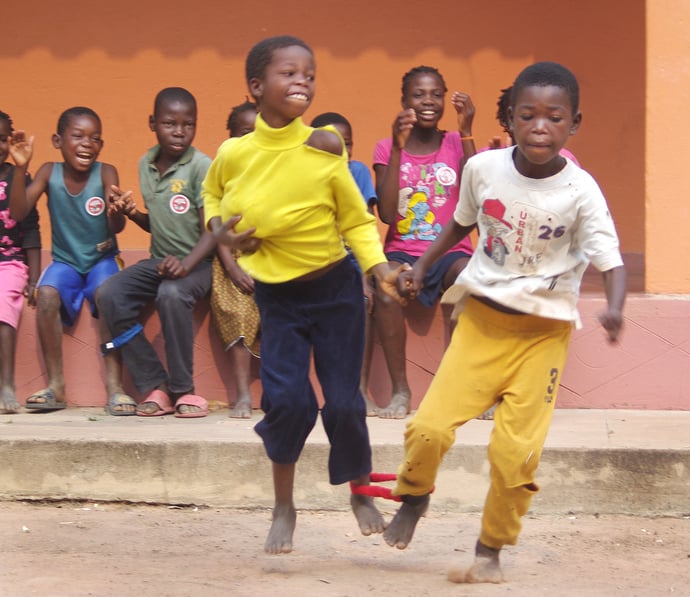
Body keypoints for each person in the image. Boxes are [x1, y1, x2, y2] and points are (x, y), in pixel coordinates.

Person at [382, 62, 627, 585]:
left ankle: (491, 545)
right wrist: (422, 266)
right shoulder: (484, 169)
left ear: (573, 124)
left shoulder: (581, 191)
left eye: (554, 118)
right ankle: (415, 494)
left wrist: (615, 306)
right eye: (528, 115)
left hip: (542, 338)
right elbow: (459, 225)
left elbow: (611, 259)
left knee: (515, 453)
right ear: (510, 119)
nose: (540, 126)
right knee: (427, 427)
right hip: (481, 325)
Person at [203, 35, 407, 554]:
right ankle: (283, 506)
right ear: (256, 86)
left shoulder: (324, 146)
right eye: (289, 73)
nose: (302, 82)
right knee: (289, 403)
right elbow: (211, 194)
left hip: (335, 289)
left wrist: (379, 268)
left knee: (343, 402)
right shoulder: (234, 152)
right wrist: (217, 228)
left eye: (309, 75)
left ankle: (359, 489)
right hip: (278, 297)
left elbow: (355, 220)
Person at [98, 87, 215, 418]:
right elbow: (160, 223)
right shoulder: (145, 164)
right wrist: (132, 213)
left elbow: (213, 229)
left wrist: (187, 263)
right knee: (109, 293)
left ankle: (184, 390)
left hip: (200, 263)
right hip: (159, 261)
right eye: (169, 123)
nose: (179, 132)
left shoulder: (201, 166)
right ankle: (155, 384)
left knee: (171, 294)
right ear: (152, 123)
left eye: (188, 124)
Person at [371, 65, 476, 419]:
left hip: (450, 252)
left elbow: (478, 196)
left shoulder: (454, 143)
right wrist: (399, 149)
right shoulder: (386, 148)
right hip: (403, 251)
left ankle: (465, 388)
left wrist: (467, 132)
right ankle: (401, 391)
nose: (428, 101)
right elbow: (387, 213)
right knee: (385, 286)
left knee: (471, 281)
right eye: (419, 94)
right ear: (404, 102)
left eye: (436, 94)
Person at [8, 107, 128, 413]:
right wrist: (21, 168)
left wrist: (116, 214)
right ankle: (56, 386)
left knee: (108, 293)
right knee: (46, 295)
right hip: (66, 264)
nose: (87, 143)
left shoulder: (106, 172)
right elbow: (18, 213)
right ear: (57, 140)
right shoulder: (49, 172)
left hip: (102, 260)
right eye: (78, 136)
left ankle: (115, 388)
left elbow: (117, 227)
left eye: (95, 138)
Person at [310, 111, 378, 415]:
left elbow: (363, 228)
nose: (341, 152)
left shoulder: (358, 172)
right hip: (310, 259)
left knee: (361, 300)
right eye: (331, 144)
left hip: (349, 258)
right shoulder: (301, 177)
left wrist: (365, 275)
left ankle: (358, 388)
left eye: (347, 144)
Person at [212, 99, 260, 418]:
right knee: (237, 308)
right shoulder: (223, 173)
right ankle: (242, 393)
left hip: (275, 258)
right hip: (232, 260)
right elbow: (215, 223)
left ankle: (278, 390)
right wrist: (232, 267)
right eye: (244, 133)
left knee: (282, 312)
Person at [0, 111, 41, 414]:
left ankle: (6, 385)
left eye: (2, 139)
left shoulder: (19, 177)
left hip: (10, 263)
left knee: (2, 305)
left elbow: (28, 226)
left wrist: (34, 277)